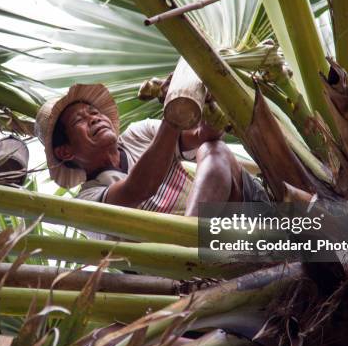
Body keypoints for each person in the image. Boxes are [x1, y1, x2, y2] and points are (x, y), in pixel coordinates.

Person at [34, 83, 269, 240]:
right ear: (65, 151)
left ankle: (191, 237)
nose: (94, 119)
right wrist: (173, 117)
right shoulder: (88, 201)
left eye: (93, 112)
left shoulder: (139, 133)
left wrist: (205, 101)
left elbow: (202, 136)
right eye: (79, 120)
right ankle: (191, 240)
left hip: (246, 214)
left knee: (213, 149)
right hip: (198, 269)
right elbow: (138, 189)